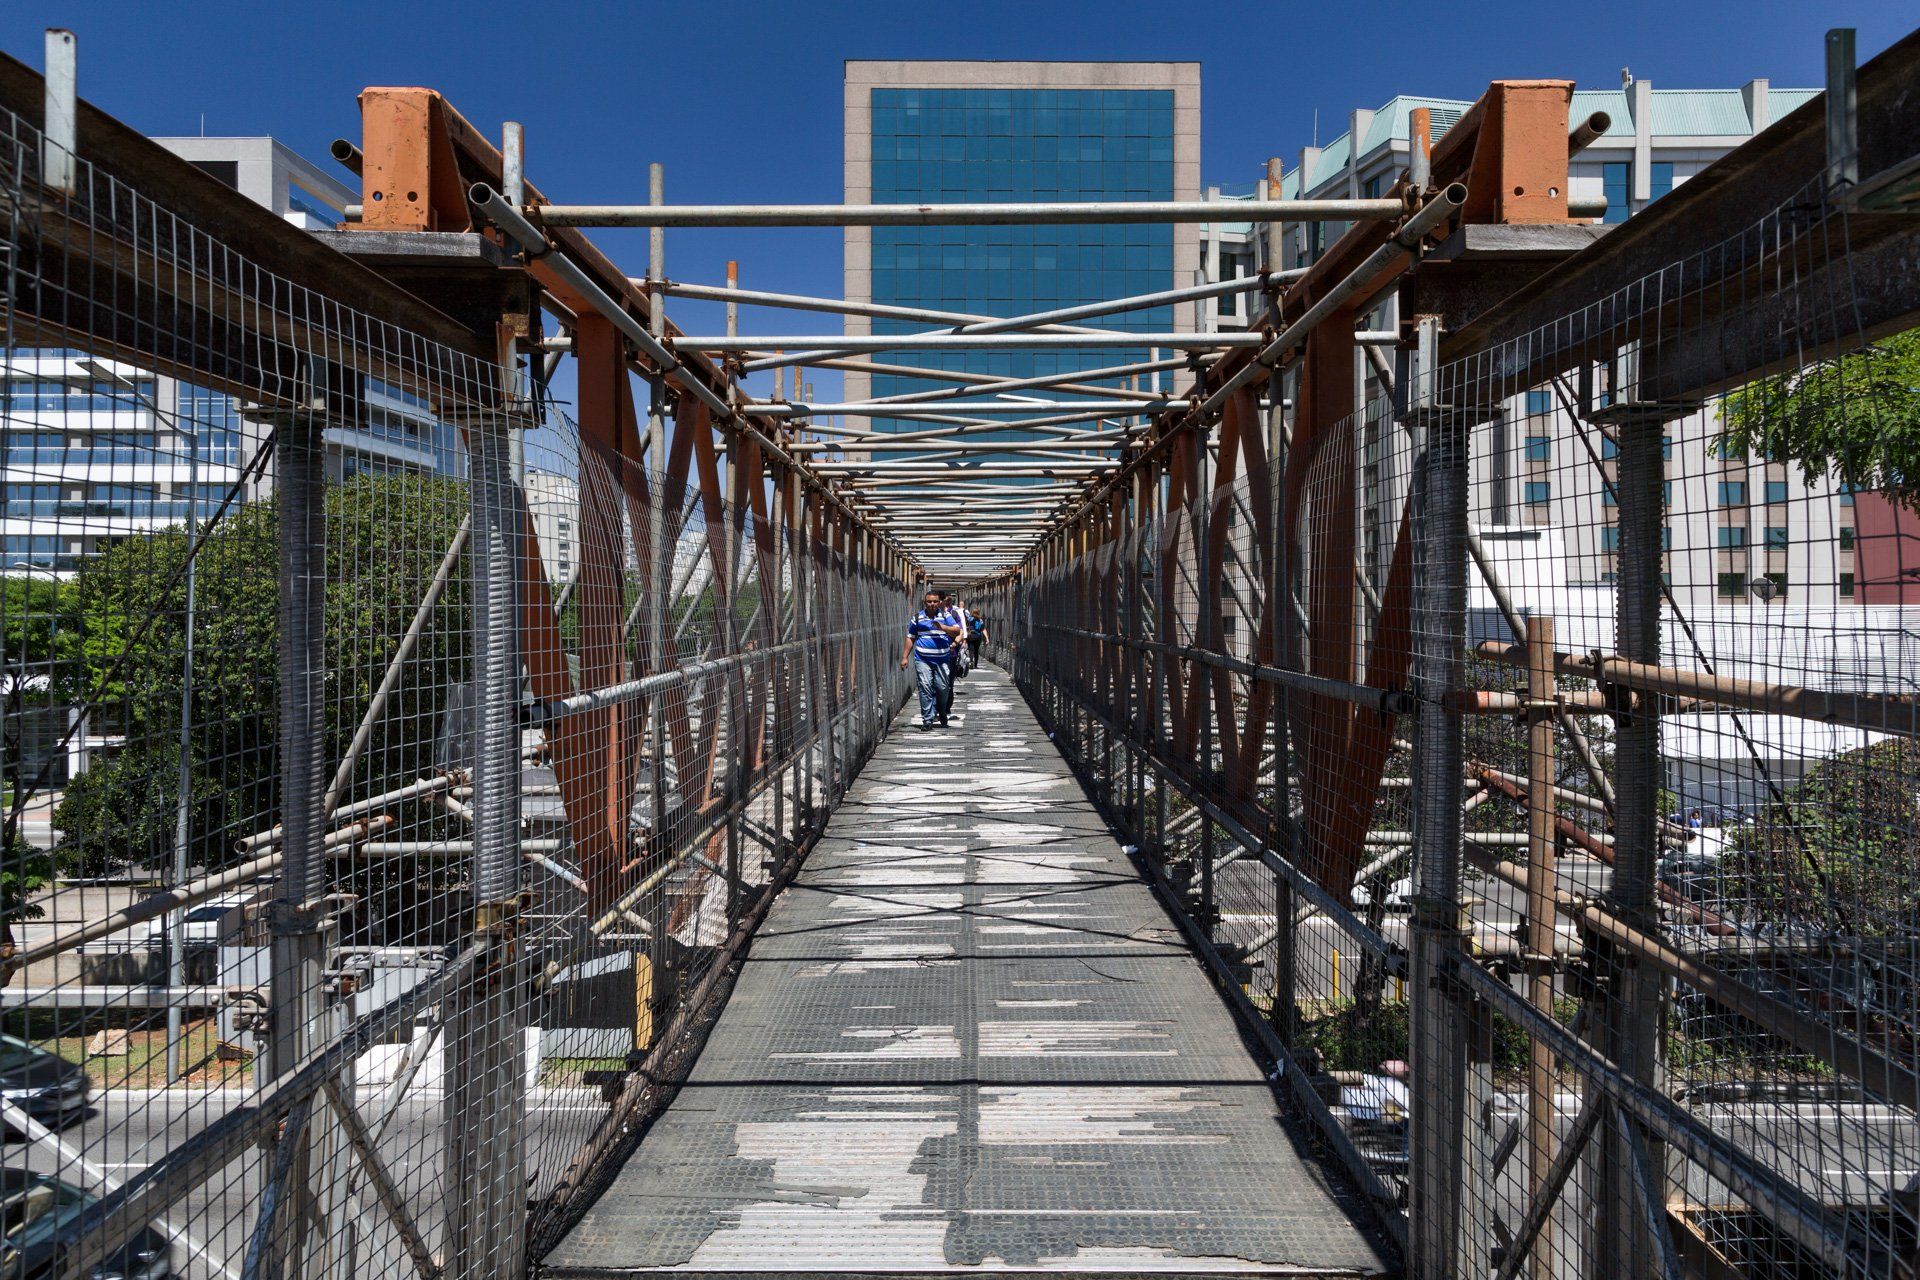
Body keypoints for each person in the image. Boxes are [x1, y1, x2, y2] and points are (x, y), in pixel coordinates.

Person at [901, 587, 964, 729]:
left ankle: (941, 710)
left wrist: (942, 627)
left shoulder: (945, 616)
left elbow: (956, 631)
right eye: (929, 602)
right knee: (925, 687)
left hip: (942, 660)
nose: (932, 604)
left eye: (935, 601)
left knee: (943, 687)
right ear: (925, 602)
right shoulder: (917, 618)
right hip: (923, 659)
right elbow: (910, 638)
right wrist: (905, 657)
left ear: (939, 602)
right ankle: (927, 720)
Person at [963, 604, 988, 668]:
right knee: (976, 650)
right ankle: (975, 665)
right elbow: (983, 629)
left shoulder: (970, 619)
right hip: (978, 636)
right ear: (978, 613)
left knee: (971, 649)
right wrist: (987, 638)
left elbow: (965, 619)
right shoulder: (980, 620)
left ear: (972, 612)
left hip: (971, 635)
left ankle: (971, 661)